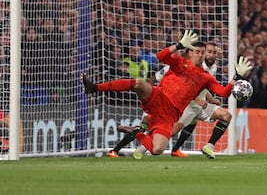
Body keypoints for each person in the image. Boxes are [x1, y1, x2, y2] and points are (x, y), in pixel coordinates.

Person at [82, 30, 252, 158]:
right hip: (158, 97)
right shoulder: (179, 62)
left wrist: (236, 78)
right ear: (190, 52)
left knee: (157, 149)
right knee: (140, 83)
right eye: (197, 52)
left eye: (202, 53)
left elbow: (223, 92)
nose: (200, 56)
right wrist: (178, 45)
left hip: (170, 115)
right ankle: (95, 88)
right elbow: (160, 56)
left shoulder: (206, 77)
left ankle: (136, 133)